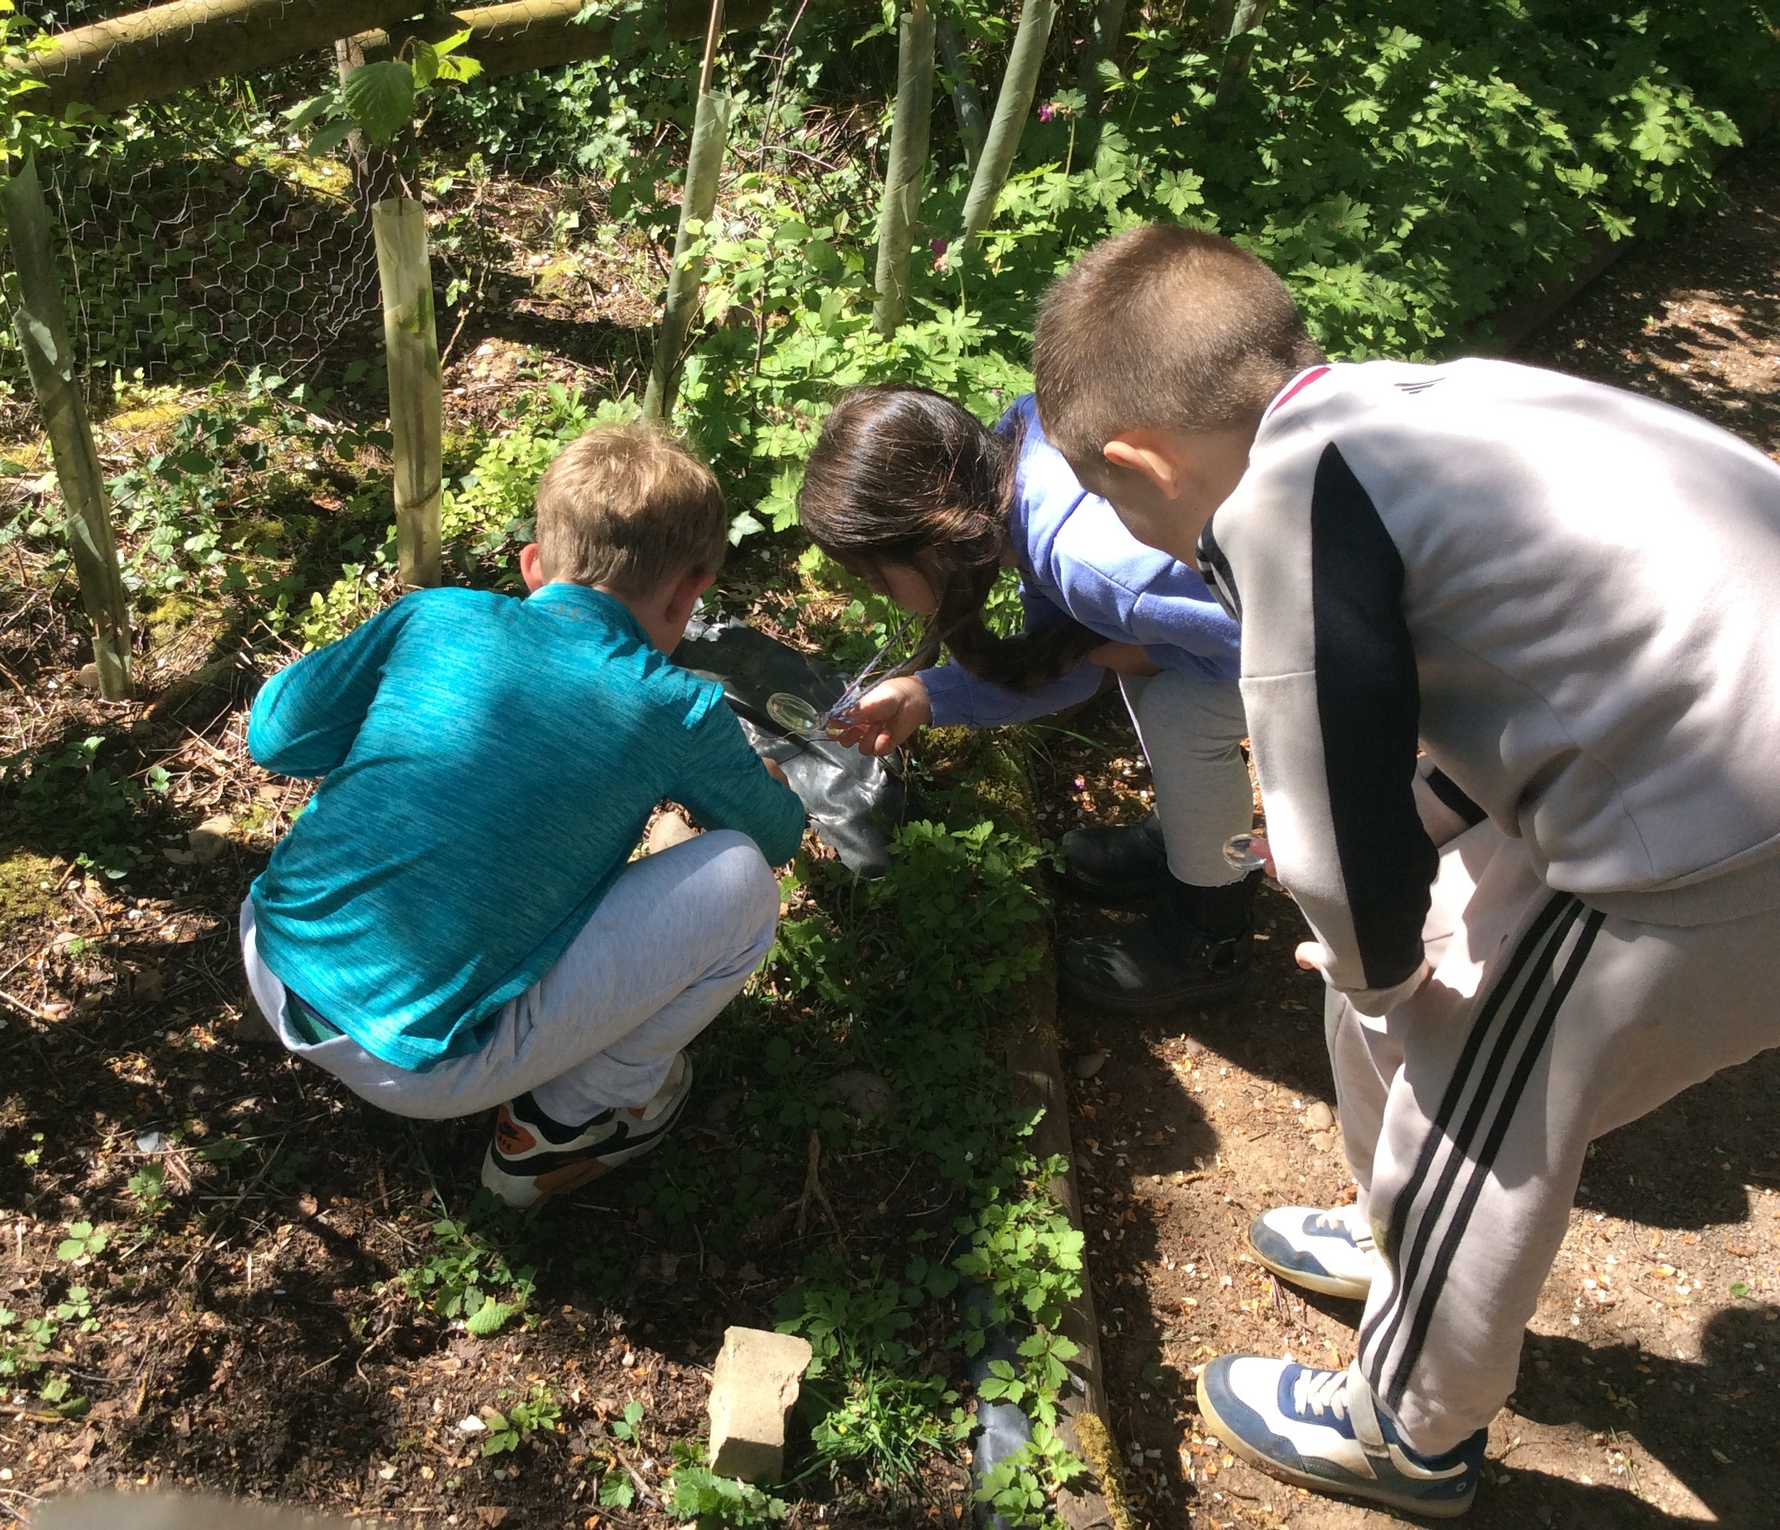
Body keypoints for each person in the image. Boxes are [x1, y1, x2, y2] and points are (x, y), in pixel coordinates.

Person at [1031, 223, 1780, 1517]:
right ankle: (1399, 1220)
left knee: (1473, 1117)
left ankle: (1406, 1431)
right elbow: (1520, 669)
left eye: (1116, 507)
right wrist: (1401, 896)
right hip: (1693, 750)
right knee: (1426, 1013)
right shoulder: (1406, 403)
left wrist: (1378, 980)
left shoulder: (1275, 504)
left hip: (1710, 843)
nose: (1136, 537)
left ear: (1141, 460)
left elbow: (1325, 815)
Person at [238, 423, 805, 1210]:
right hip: (418, 1069)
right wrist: (764, 780)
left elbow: (275, 737)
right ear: (688, 593)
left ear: (533, 565)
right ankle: (561, 1125)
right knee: (741, 882)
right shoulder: (676, 705)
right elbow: (776, 837)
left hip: (269, 952)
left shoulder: (435, 616)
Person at [796, 383, 1260, 1014]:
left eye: (873, 575)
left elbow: (1279, 647)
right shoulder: (1018, 460)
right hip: (1273, 589)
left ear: (930, 542)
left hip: (1348, 636)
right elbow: (1061, 664)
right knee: (1154, 684)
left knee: (1179, 714)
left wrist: (1150, 653)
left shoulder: (1095, 567)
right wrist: (924, 696)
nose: (876, 593)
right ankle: (1187, 841)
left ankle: (1211, 934)